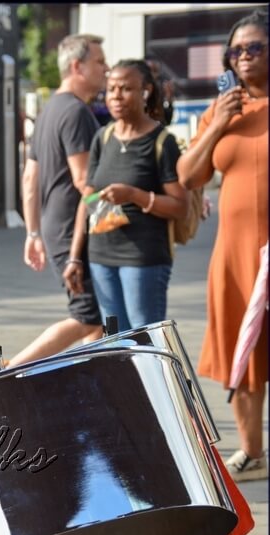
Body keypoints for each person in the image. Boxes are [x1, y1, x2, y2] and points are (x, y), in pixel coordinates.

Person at [177, 9, 268, 482]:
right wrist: (218, 123)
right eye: (236, 51)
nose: (244, 57)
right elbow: (189, 175)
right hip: (235, 254)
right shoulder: (223, 109)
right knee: (244, 352)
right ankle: (253, 452)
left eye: (254, 47)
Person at [63, 59, 189, 333]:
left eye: (126, 89)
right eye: (111, 89)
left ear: (145, 91)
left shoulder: (161, 142)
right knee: (116, 342)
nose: (116, 96)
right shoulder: (102, 138)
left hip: (143, 258)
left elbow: (180, 206)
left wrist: (134, 195)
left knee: (145, 340)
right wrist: (75, 257)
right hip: (100, 256)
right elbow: (88, 199)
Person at [8, 34, 108, 367]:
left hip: (56, 228)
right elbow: (84, 181)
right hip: (73, 229)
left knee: (99, 321)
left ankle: (99, 385)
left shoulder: (51, 110)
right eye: (99, 62)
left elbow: (29, 177)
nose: (106, 69)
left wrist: (33, 233)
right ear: (77, 66)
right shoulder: (76, 113)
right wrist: (124, 210)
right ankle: (12, 369)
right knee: (88, 316)